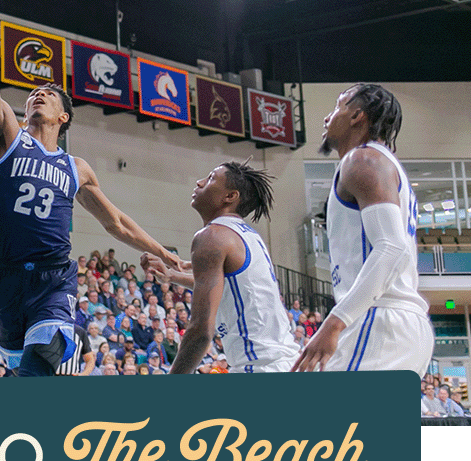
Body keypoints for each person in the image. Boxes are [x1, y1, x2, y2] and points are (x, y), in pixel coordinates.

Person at [0, 0, 177, 376]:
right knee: (21, 367)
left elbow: (115, 223)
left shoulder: (75, 167)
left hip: (54, 277)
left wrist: (165, 251)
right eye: (32, 94)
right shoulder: (5, 135)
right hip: (6, 275)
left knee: (42, 359)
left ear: (63, 116)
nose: (36, 96)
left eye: (46, 94)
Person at [293, 85, 434, 374]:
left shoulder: (363, 160)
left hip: (377, 321)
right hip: (394, 323)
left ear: (357, 115)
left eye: (338, 107)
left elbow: (391, 248)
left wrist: (335, 322)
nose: (327, 118)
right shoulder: (381, 164)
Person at [144, 162, 298, 374]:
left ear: (230, 196)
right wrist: (171, 275)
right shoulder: (250, 236)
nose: (199, 183)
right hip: (286, 362)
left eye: (210, 178)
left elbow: (200, 330)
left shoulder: (212, 236)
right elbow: (226, 287)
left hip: (258, 366)